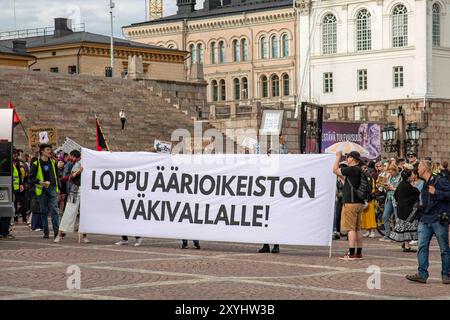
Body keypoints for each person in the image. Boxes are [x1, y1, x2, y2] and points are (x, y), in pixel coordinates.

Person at [406, 160, 450, 284]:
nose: (417, 170)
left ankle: (446, 275)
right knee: (422, 247)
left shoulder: (440, 180)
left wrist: (437, 192)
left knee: (444, 249)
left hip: (438, 219)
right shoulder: (425, 183)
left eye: (419, 167)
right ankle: (422, 274)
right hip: (425, 219)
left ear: (424, 168)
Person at [333, 151, 365, 260]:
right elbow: (348, 182)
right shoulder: (360, 169)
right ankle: (359, 252)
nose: (346, 158)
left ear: (353, 158)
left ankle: (351, 253)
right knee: (358, 229)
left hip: (350, 203)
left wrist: (338, 157)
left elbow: (334, 170)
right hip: (359, 202)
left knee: (351, 229)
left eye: (348, 157)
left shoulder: (351, 169)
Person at [54, 150, 89, 243]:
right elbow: (70, 178)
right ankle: (60, 234)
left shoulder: (82, 163)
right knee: (69, 211)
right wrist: (78, 172)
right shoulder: (77, 164)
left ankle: (84, 236)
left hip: (82, 190)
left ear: (74, 156)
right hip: (75, 190)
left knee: (83, 213)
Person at [29, 143, 60, 239]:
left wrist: (58, 188)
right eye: (47, 150)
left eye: (50, 149)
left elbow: (57, 176)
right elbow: (31, 178)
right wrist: (41, 182)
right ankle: (46, 232)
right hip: (41, 189)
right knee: (44, 211)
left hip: (52, 188)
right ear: (42, 151)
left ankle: (56, 233)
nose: (50, 151)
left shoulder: (53, 162)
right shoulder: (36, 163)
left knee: (54, 210)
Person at [388, 169, 420, 252]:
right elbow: (417, 192)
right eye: (411, 175)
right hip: (407, 211)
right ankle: (407, 246)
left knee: (405, 227)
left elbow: (395, 195)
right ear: (408, 177)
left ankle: (406, 244)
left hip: (401, 209)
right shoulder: (408, 186)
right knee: (407, 228)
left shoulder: (401, 185)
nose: (413, 177)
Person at [379, 163, 401, 241]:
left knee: (397, 218)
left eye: (391, 172)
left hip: (396, 199)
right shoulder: (389, 177)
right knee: (385, 216)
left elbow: (400, 189)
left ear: (395, 171)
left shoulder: (400, 177)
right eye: (389, 172)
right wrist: (384, 187)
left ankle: (398, 235)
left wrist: (392, 187)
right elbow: (386, 188)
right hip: (389, 199)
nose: (390, 173)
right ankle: (387, 234)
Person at [361, 164, 377, 238]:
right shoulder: (361, 178)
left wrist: (369, 196)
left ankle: (373, 231)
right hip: (363, 198)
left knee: (371, 216)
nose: (364, 170)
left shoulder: (370, 178)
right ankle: (368, 230)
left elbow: (372, 188)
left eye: (365, 168)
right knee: (364, 216)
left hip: (369, 198)